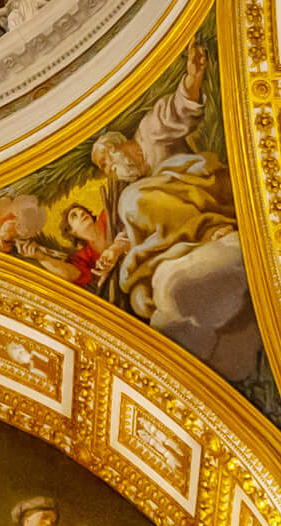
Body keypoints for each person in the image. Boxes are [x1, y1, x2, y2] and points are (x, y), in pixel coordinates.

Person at [88, 42, 258, 384]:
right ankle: (177, 272)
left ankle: (211, 230)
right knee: (135, 286)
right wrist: (115, 252)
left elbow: (181, 109)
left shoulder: (149, 132)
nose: (111, 172)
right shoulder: (138, 186)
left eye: (107, 163)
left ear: (116, 145)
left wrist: (193, 77)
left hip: (203, 186)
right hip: (179, 214)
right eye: (106, 170)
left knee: (133, 200)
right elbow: (133, 231)